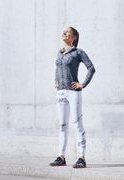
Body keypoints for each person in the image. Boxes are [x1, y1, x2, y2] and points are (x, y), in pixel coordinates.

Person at [49, 26, 95, 168]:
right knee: (62, 125)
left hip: (73, 93)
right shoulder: (60, 52)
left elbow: (91, 68)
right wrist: (56, 80)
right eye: (63, 31)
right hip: (61, 92)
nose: (63, 33)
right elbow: (58, 68)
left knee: (77, 124)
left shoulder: (78, 53)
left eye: (67, 32)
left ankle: (81, 158)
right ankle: (61, 157)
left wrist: (83, 84)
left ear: (73, 37)